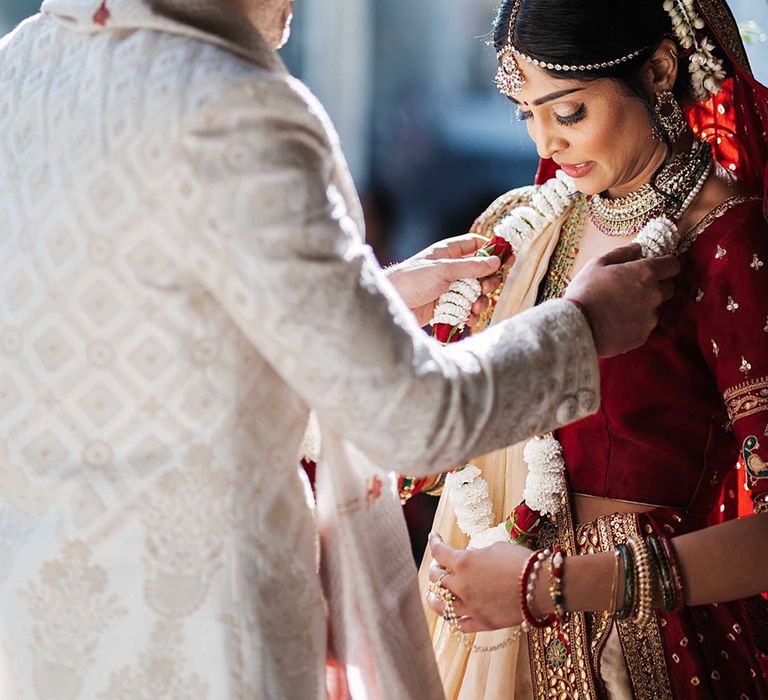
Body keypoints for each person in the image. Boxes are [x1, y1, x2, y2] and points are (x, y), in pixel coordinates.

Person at [0, 0, 678, 697]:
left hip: (37, 631)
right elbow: (410, 420)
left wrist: (365, 302)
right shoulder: (235, 106)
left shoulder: (18, 66)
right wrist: (582, 327)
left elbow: (142, 340)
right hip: (209, 639)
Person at [423, 0, 768, 697]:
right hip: (478, 621)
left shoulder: (728, 244)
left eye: (568, 112)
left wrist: (548, 585)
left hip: (638, 650)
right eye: (527, 112)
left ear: (661, 70)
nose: (546, 143)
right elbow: (430, 444)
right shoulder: (517, 231)